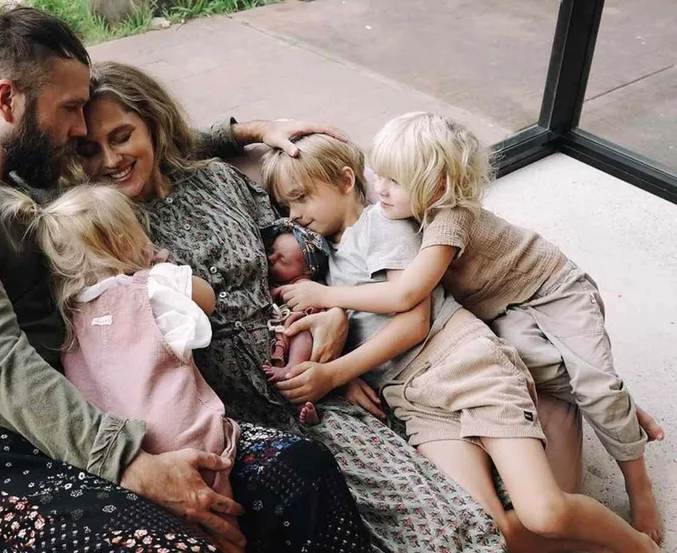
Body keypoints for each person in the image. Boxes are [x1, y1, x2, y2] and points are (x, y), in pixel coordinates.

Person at [0, 8, 360, 552]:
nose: (78, 128)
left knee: (300, 472)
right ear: (7, 101)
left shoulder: (26, 180)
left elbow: (152, 138)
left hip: (72, 427)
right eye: (69, 109)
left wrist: (246, 131)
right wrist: (132, 464)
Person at [74, 60, 508, 552]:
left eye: (122, 136)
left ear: (153, 126)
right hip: (216, 410)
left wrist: (333, 315)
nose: (109, 160)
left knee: (446, 525)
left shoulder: (218, 180)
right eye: (88, 149)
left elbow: (303, 245)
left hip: (303, 372)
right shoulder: (95, 223)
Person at [279, 112, 665, 545]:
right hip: (457, 346)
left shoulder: (438, 220)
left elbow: (407, 301)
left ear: (437, 187)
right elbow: (370, 316)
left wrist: (328, 309)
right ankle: (611, 407)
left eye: (393, 180)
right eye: (379, 176)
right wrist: (344, 361)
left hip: (545, 288)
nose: (381, 188)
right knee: (496, 520)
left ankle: (635, 481)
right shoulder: (384, 219)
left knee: (593, 389)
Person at [0, 183, 370, 552]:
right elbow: (206, 299)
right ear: (123, 238)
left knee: (199, 534)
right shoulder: (152, 284)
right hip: (191, 439)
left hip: (129, 455)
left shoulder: (72, 319)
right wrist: (161, 265)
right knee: (224, 518)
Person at [259, 218, 334, 425]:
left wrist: (278, 291)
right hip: (284, 332)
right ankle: (305, 408)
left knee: (300, 330)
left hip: (305, 333)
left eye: (283, 261)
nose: (271, 259)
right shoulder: (277, 276)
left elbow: (283, 296)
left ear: (306, 270)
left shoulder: (303, 283)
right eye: (272, 252)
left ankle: (291, 369)